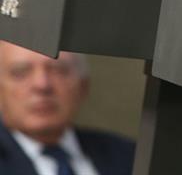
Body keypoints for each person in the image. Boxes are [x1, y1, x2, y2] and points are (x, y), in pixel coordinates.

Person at [0, 42, 134, 175]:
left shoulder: (128, 156)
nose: (42, 84)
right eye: (20, 72)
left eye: (57, 70)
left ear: (83, 86)